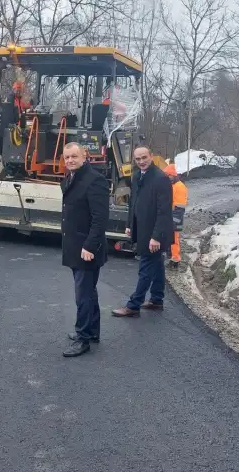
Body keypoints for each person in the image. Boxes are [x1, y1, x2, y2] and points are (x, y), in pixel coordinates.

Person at [60, 142, 110, 357]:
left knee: (83, 296)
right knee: (88, 292)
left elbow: (100, 219)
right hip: (74, 247)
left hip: (87, 249)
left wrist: (89, 245)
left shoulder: (94, 180)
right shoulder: (71, 178)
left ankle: (83, 339)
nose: (70, 160)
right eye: (67, 157)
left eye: (74, 156)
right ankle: (92, 332)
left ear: (84, 156)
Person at [112, 146, 174, 317]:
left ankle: (133, 305)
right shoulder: (137, 176)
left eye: (144, 157)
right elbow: (133, 202)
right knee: (157, 264)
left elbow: (164, 211)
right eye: (137, 159)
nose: (141, 161)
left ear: (151, 156)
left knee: (145, 268)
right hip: (142, 229)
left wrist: (156, 237)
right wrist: (129, 224)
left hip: (154, 233)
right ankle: (156, 300)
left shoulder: (161, 178)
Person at [163, 164, 188, 268]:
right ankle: (171, 257)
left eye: (168, 175)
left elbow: (179, 207)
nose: (167, 177)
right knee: (170, 238)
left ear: (173, 175)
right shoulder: (174, 185)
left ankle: (175, 259)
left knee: (173, 238)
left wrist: (174, 221)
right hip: (171, 216)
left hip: (174, 217)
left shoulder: (179, 187)